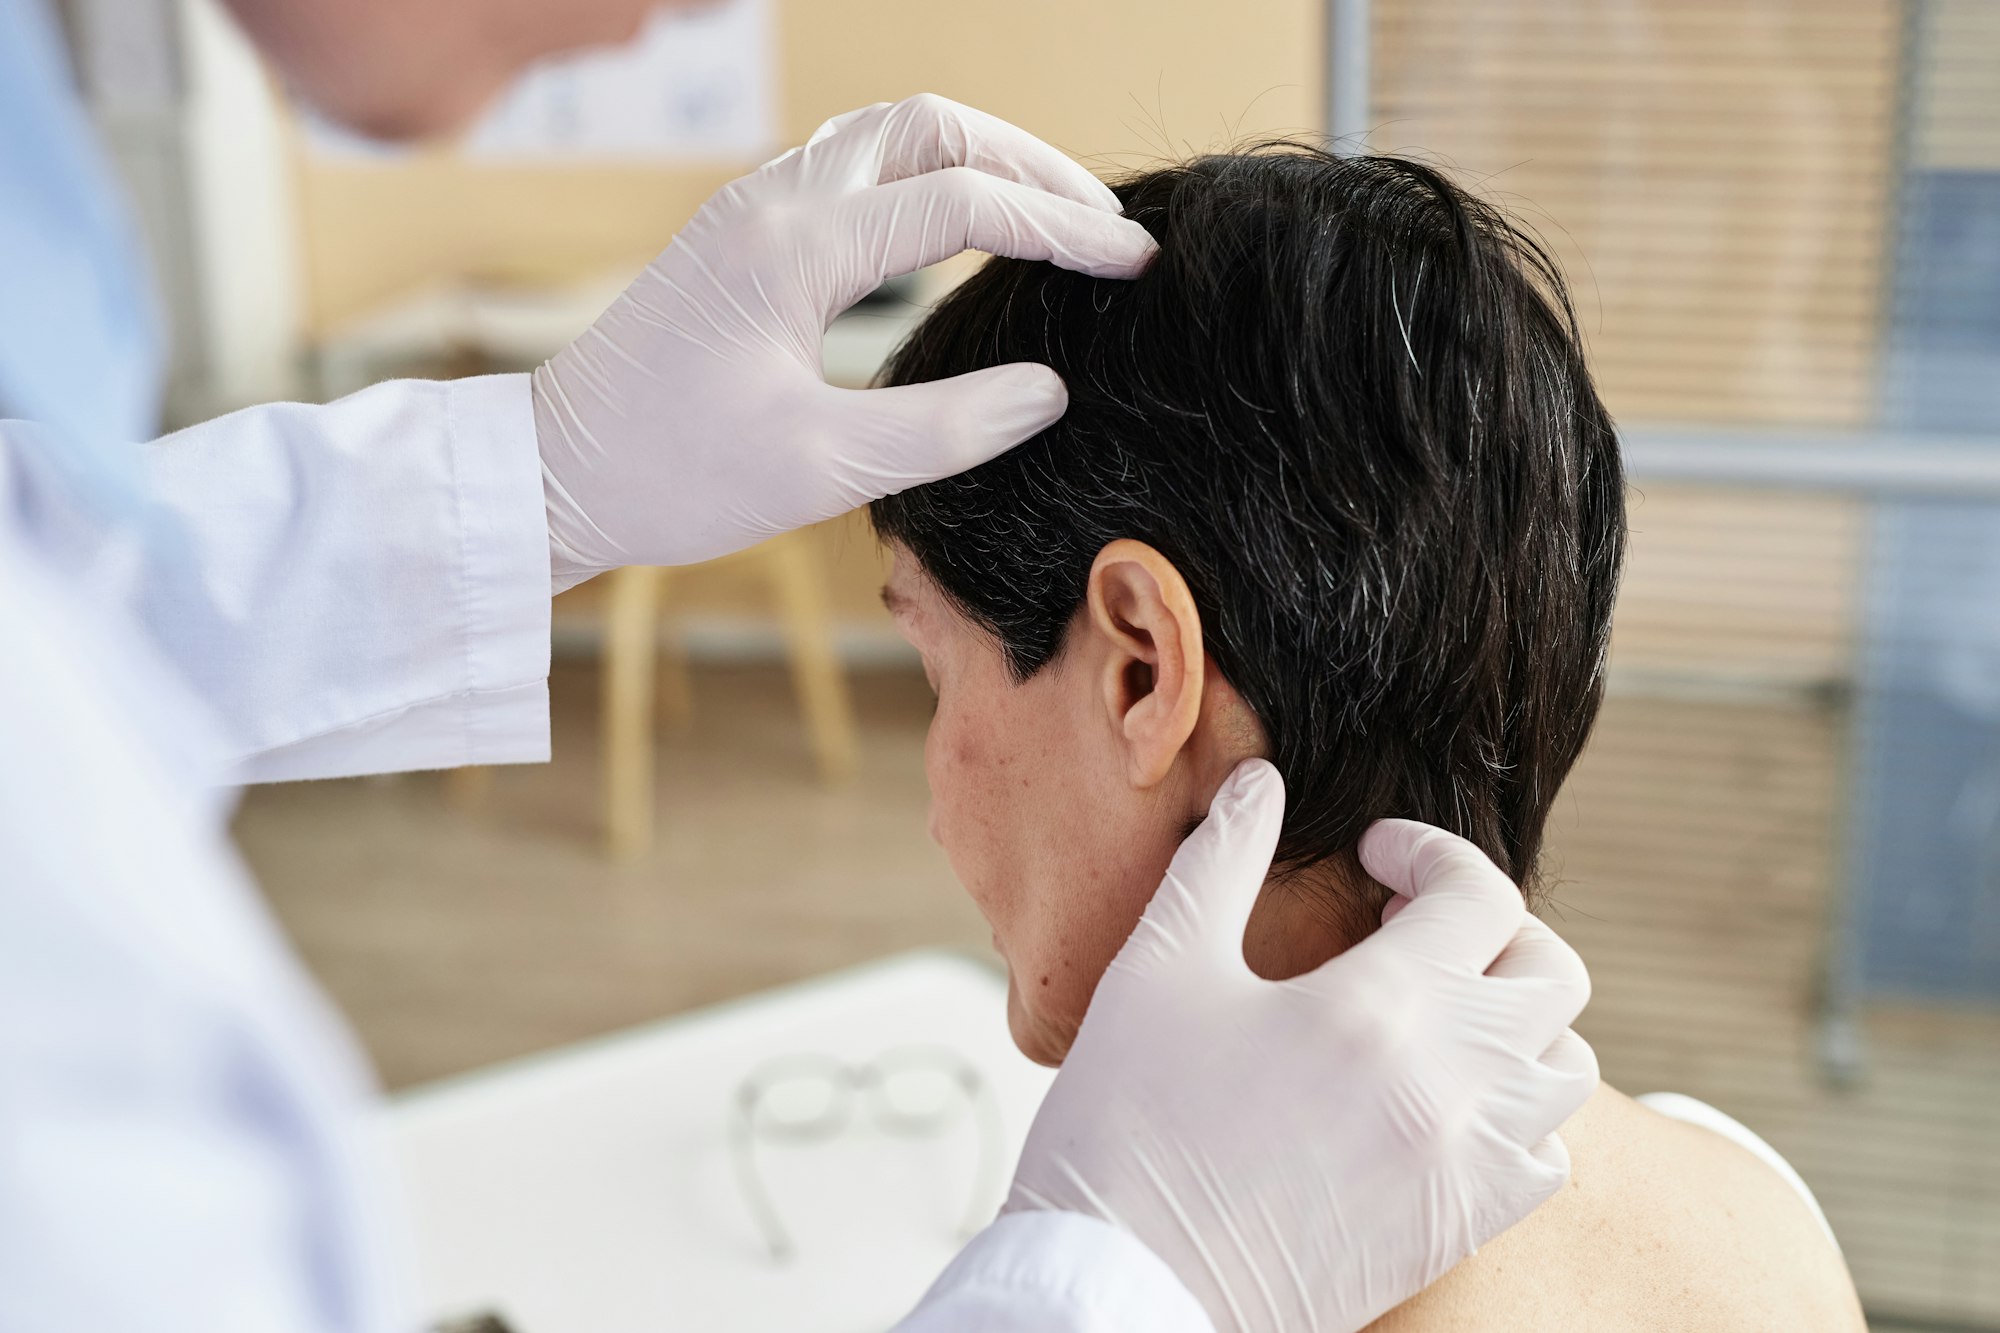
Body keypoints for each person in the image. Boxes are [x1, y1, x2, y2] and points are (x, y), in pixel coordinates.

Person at [0, 0, 1603, 1325]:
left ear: (1138, 670)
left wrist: (1115, 1280)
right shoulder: (1727, 1202)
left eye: (930, 667)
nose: (684, 15)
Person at [873, 146, 1868, 1330]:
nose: (934, 806)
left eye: (935, 668)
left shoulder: (1132, 1276)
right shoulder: (1752, 1207)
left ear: (1142, 666)